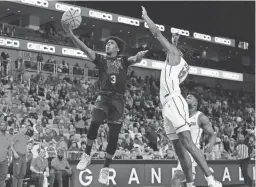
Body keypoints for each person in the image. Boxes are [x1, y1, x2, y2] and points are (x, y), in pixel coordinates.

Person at [141, 6, 222, 187]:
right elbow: (172, 53)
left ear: (178, 53)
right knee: (179, 150)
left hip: (174, 101)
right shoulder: (179, 64)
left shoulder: (175, 55)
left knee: (187, 143)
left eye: (172, 49)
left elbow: (156, 33)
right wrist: (175, 42)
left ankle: (211, 180)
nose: (168, 50)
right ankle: (191, 184)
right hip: (167, 106)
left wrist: (146, 17)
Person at [62, 19, 148, 185]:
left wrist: (139, 56)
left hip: (118, 100)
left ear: (117, 48)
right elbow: (84, 49)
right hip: (104, 96)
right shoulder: (101, 60)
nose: (107, 45)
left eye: (111, 43)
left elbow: (134, 59)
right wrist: (71, 34)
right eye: (107, 43)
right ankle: (86, 155)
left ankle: (105, 168)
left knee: (113, 137)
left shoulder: (123, 60)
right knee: (94, 122)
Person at [171, 93, 216, 187]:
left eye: (189, 98)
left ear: (195, 103)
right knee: (185, 183)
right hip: (182, 153)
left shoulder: (201, 117)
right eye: (186, 97)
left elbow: (212, 134)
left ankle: (212, 181)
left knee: (177, 177)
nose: (186, 99)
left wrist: (211, 144)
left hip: (193, 152)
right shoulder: (181, 116)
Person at [0, 121, 12, 187]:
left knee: (3, 177)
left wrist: (10, 158)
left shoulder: (8, 136)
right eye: (1, 125)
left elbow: (9, 148)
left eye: (4, 125)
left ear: (6, 127)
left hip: (4, 159)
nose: (3, 126)